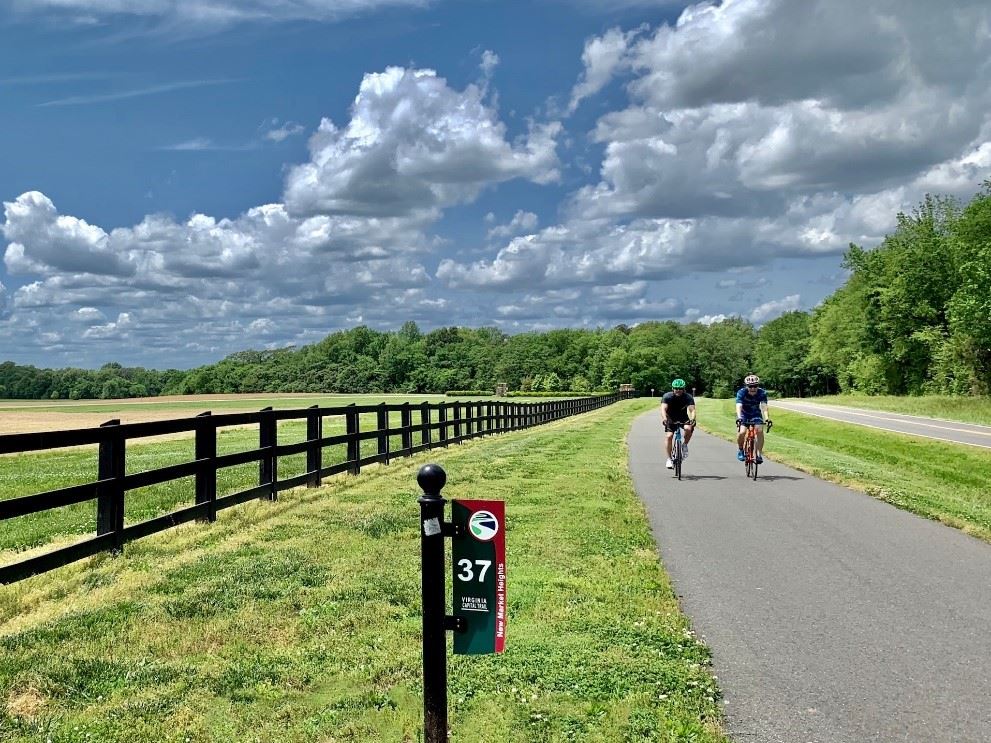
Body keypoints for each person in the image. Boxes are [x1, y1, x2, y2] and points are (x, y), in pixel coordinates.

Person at [735, 374, 771, 463]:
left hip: (756, 414)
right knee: (742, 432)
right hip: (744, 414)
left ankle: (758, 454)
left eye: (755, 386)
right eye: (750, 386)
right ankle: (741, 449)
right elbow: (739, 405)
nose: (753, 388)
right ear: (746, 386)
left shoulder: (762, 392)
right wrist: (739, 417)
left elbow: (764, 406)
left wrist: (767, 418)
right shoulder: (741, 392)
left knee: (759, 430)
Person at [661, 378, 696, 469]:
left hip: (683, 417)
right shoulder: (667, 396)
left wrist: (693, 419)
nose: (678, 390)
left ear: (684, 389)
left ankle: (684, 445)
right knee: (669, 436)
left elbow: (692, 410)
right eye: (676, 388)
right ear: (673, 388)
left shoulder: (688, 397)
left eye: (680, 389)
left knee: (688, 428)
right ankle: (669, 459)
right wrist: (664, 418)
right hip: (670, 418)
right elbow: (663, 409)